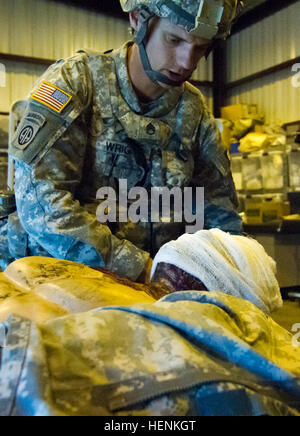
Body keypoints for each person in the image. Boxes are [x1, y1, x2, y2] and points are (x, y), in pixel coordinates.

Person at [2, 0, 243, 281]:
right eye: (174, 39)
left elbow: (219, 215)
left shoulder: (194, 112)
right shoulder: (76, 81)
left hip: (147, 288)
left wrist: (234, 270)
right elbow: (42, 206)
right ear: (138, 19)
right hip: (52, 278)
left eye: (201, 48)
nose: (187, 62)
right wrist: (142, 269)